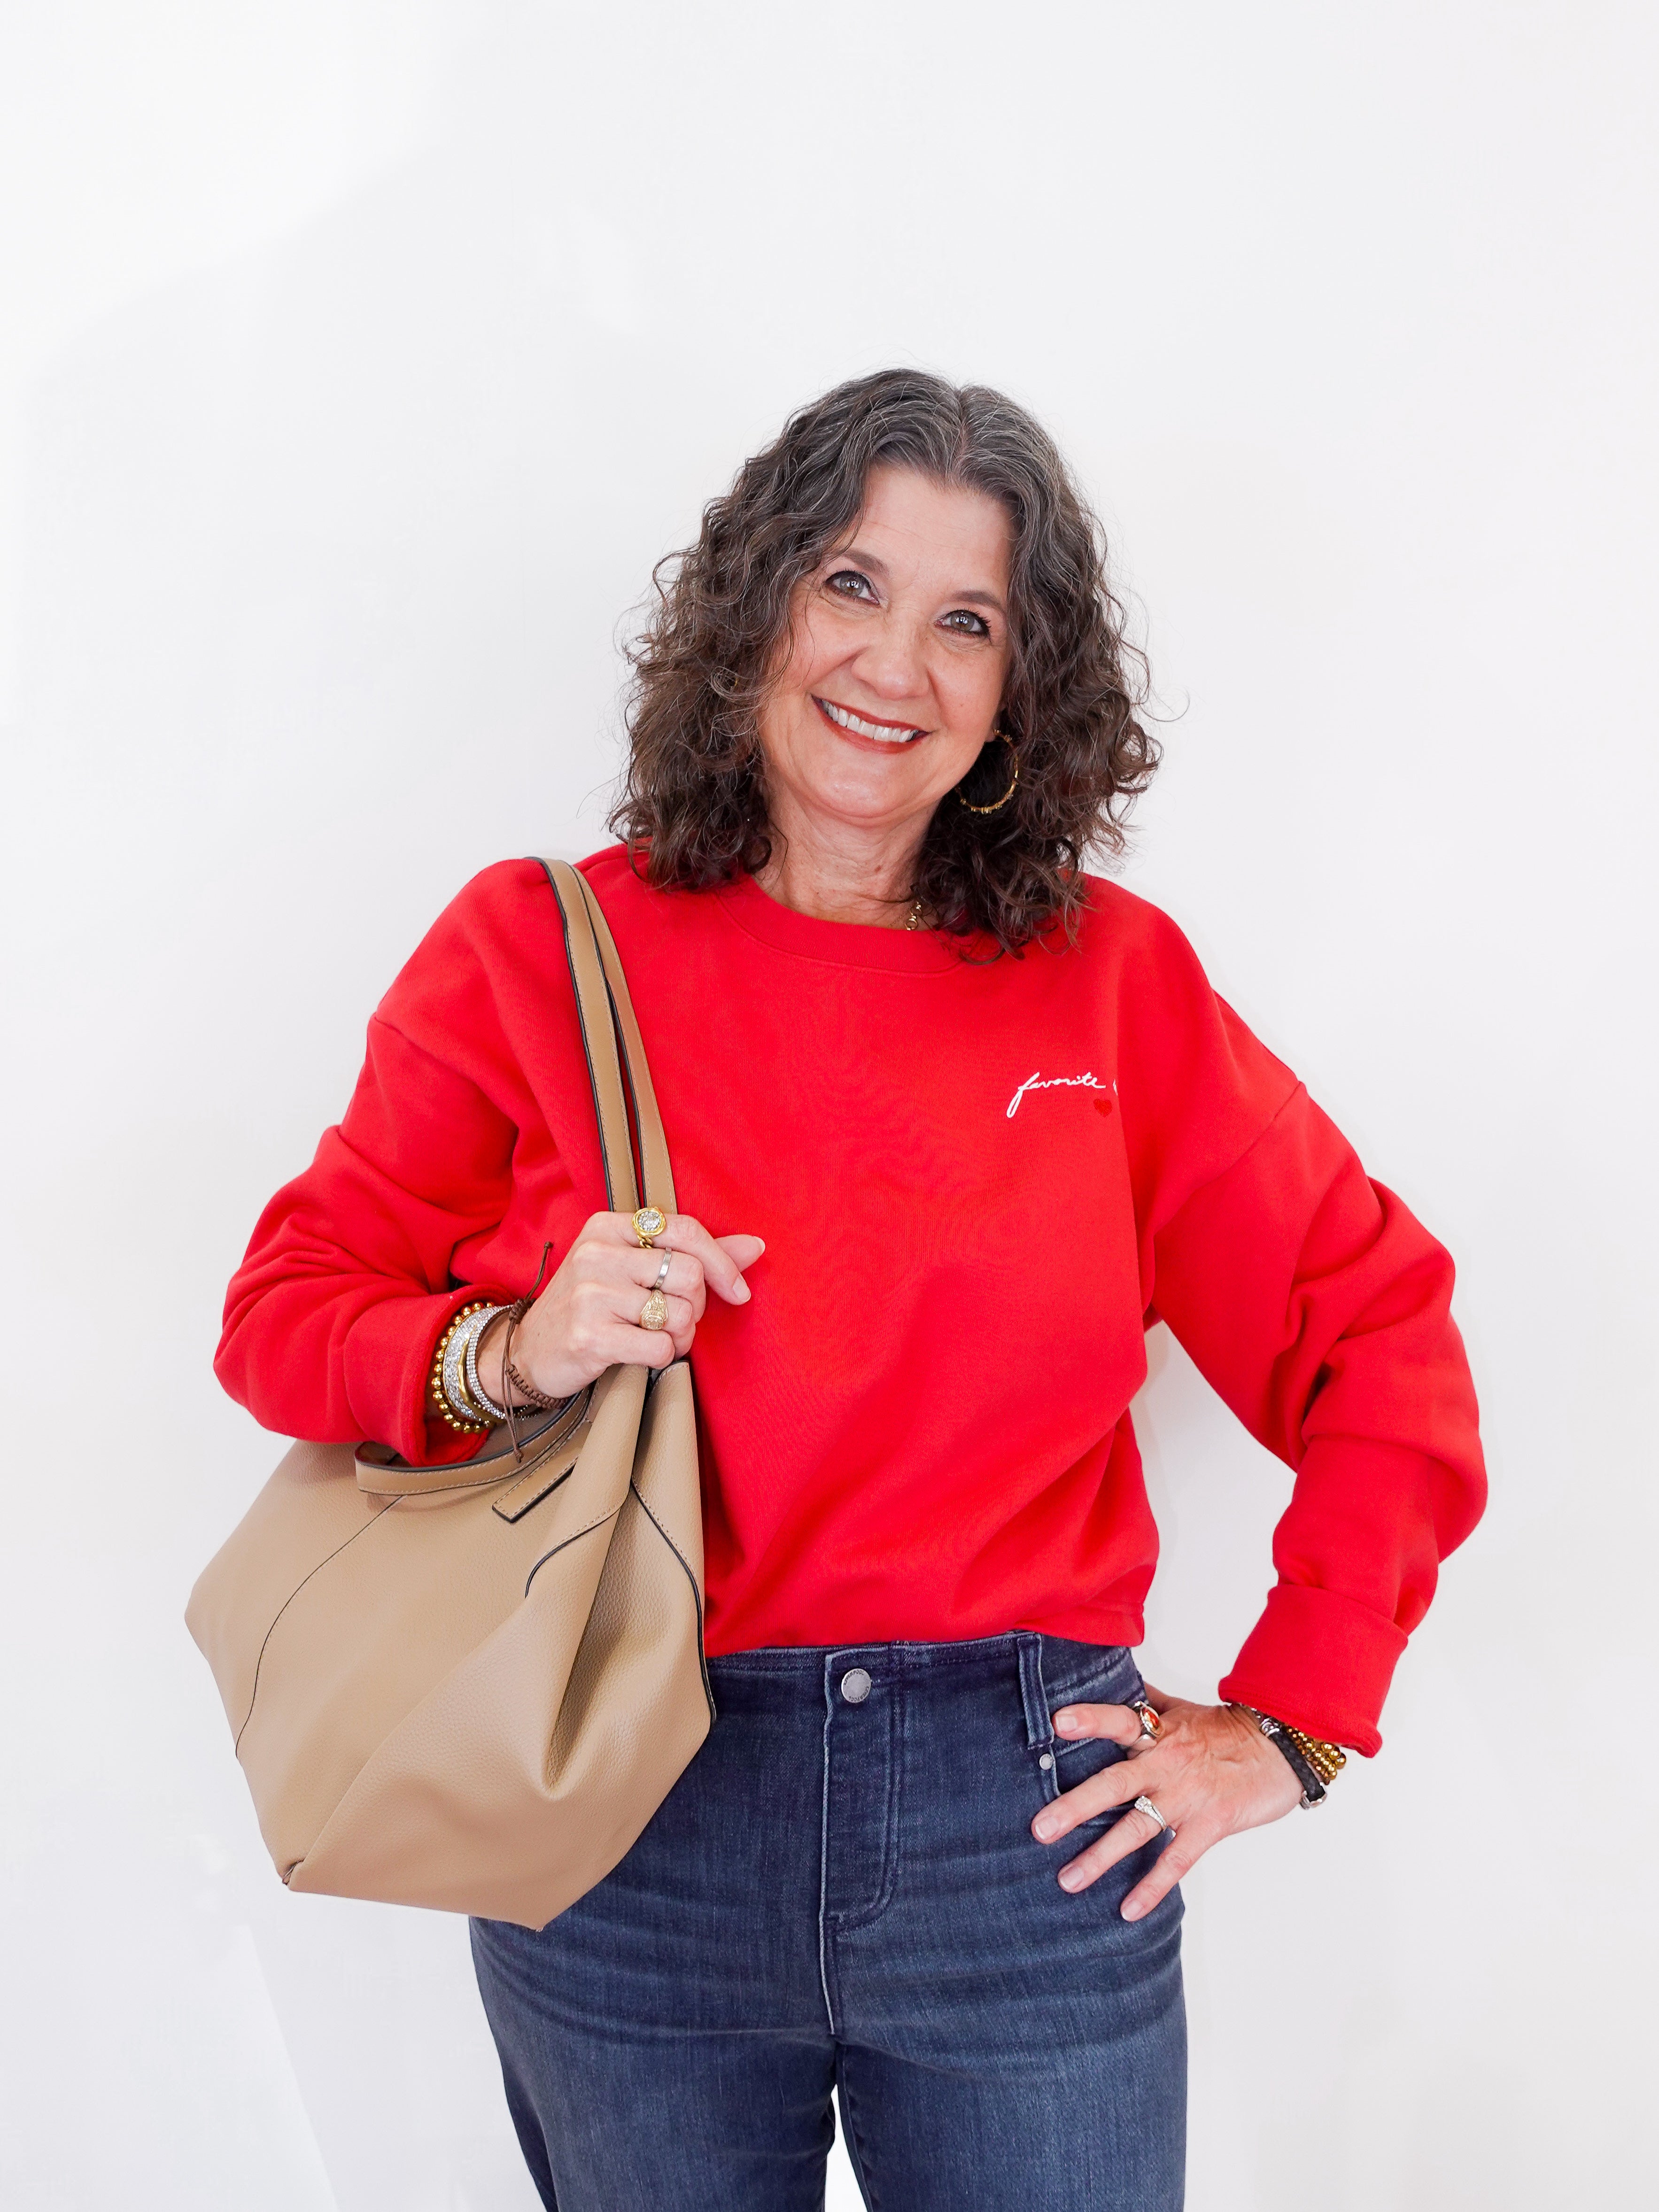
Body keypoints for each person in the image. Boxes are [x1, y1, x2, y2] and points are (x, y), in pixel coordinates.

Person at [216, 369, 1486, 2212]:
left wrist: (1299, 1711)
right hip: (619, 1804)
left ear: (1016, 690)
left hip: (1026, 1814)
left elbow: (1375, 1325)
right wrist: (515, 1341)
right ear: (758, 607)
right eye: (851, 585)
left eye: (966, 620)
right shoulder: (537, 949)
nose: (896, 662)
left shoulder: (1109, 989)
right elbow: (287, 1306)